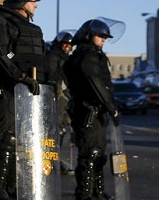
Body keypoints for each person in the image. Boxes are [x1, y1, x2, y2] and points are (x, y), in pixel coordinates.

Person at [0, 0, 47, 200]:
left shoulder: (29, 28)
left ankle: (14, 188)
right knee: (6, 138)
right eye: (33, 1)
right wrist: (20, 77)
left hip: (25, 94)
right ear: (21, 1)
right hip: (3, 90)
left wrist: (45, 83)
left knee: (22, 140)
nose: (36, 5)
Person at [64, 19, 120, 200]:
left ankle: (97, 192)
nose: (104, 39)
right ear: (89, 36)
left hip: (95, 112)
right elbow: (94, 81)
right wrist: (111, 107)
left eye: (105, 36)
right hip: (89, 112)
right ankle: (85, 194)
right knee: (90, 155)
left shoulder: (87, 54)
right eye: (100, 35)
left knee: (98, 155)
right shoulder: (87, 55)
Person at [45, 30, 75, 175]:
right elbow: (52, 75)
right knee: (54, 129)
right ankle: (50, 160)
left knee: (61, 129)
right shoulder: (53, 55)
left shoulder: (66, 58)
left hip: (65, 96)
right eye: (66, 44)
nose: (68, 47)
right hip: (56, 96)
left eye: (70, 46)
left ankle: (54, 159)